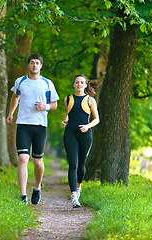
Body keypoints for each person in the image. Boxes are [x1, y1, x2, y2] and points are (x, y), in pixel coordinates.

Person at [6, 53, 59, 204]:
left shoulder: (47, 83)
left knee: (37, 162)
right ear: (28, 65)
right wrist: (10, 113)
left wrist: (45, 106)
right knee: (23, 158)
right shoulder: (20, 81)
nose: (34, 65)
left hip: (40, 126)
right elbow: (15, 97)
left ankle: (37, 187)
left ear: (41, 66)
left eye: (37, 63)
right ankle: (23, 195)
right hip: (23, 124)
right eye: (32, 63)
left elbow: (55, 104)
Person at [61, 74, 99, 208]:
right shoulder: (68, 99)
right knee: (73, 164)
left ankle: (78, 188)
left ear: (85, 85)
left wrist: (87, 126)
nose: (79, 85)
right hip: (70, 133)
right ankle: (73, 196)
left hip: (85, 134)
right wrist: (65, 120)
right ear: (74, 84)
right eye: (77, 82)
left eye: (81, 83)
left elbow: (96, 119)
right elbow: (69, 113)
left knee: (81, 164)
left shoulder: (90, 100)